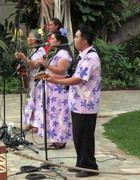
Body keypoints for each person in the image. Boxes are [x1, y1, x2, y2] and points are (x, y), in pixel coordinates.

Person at [43, 24, 101, 177]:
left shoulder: (91, 57)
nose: (73, 40)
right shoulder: (83, 56)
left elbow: (77, 80)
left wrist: (55, 81)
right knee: (78, 135)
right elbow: (70, 76)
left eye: (76, 37)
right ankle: (81, 163)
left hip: (86, 105)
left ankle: (90, 167)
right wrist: (52, 77)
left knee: (85, 137)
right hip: (78, 104)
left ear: (84, 41)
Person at [35, 28, 73, 149]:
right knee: (53, 114)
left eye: (52, 39)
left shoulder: (64, 54)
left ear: (59, 41)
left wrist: (47, 64)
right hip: (53, 88)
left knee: (59, 114)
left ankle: (61, 140)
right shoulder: (57, 53)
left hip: (60, 89)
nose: (50, 40)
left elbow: (62, 71)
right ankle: (56, 138)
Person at [15, 29, 46, 133]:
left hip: (39, 80)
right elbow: (28, 64)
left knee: (38, 102)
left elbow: (35, 65)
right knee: (31, 101)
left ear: (34, 40)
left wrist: (23, 58)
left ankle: (38, 125)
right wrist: (21, 66)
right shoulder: (31, 50)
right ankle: (30, 123)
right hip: (32, 80)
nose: (27, 39)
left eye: (29, 37)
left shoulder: (41, 50)